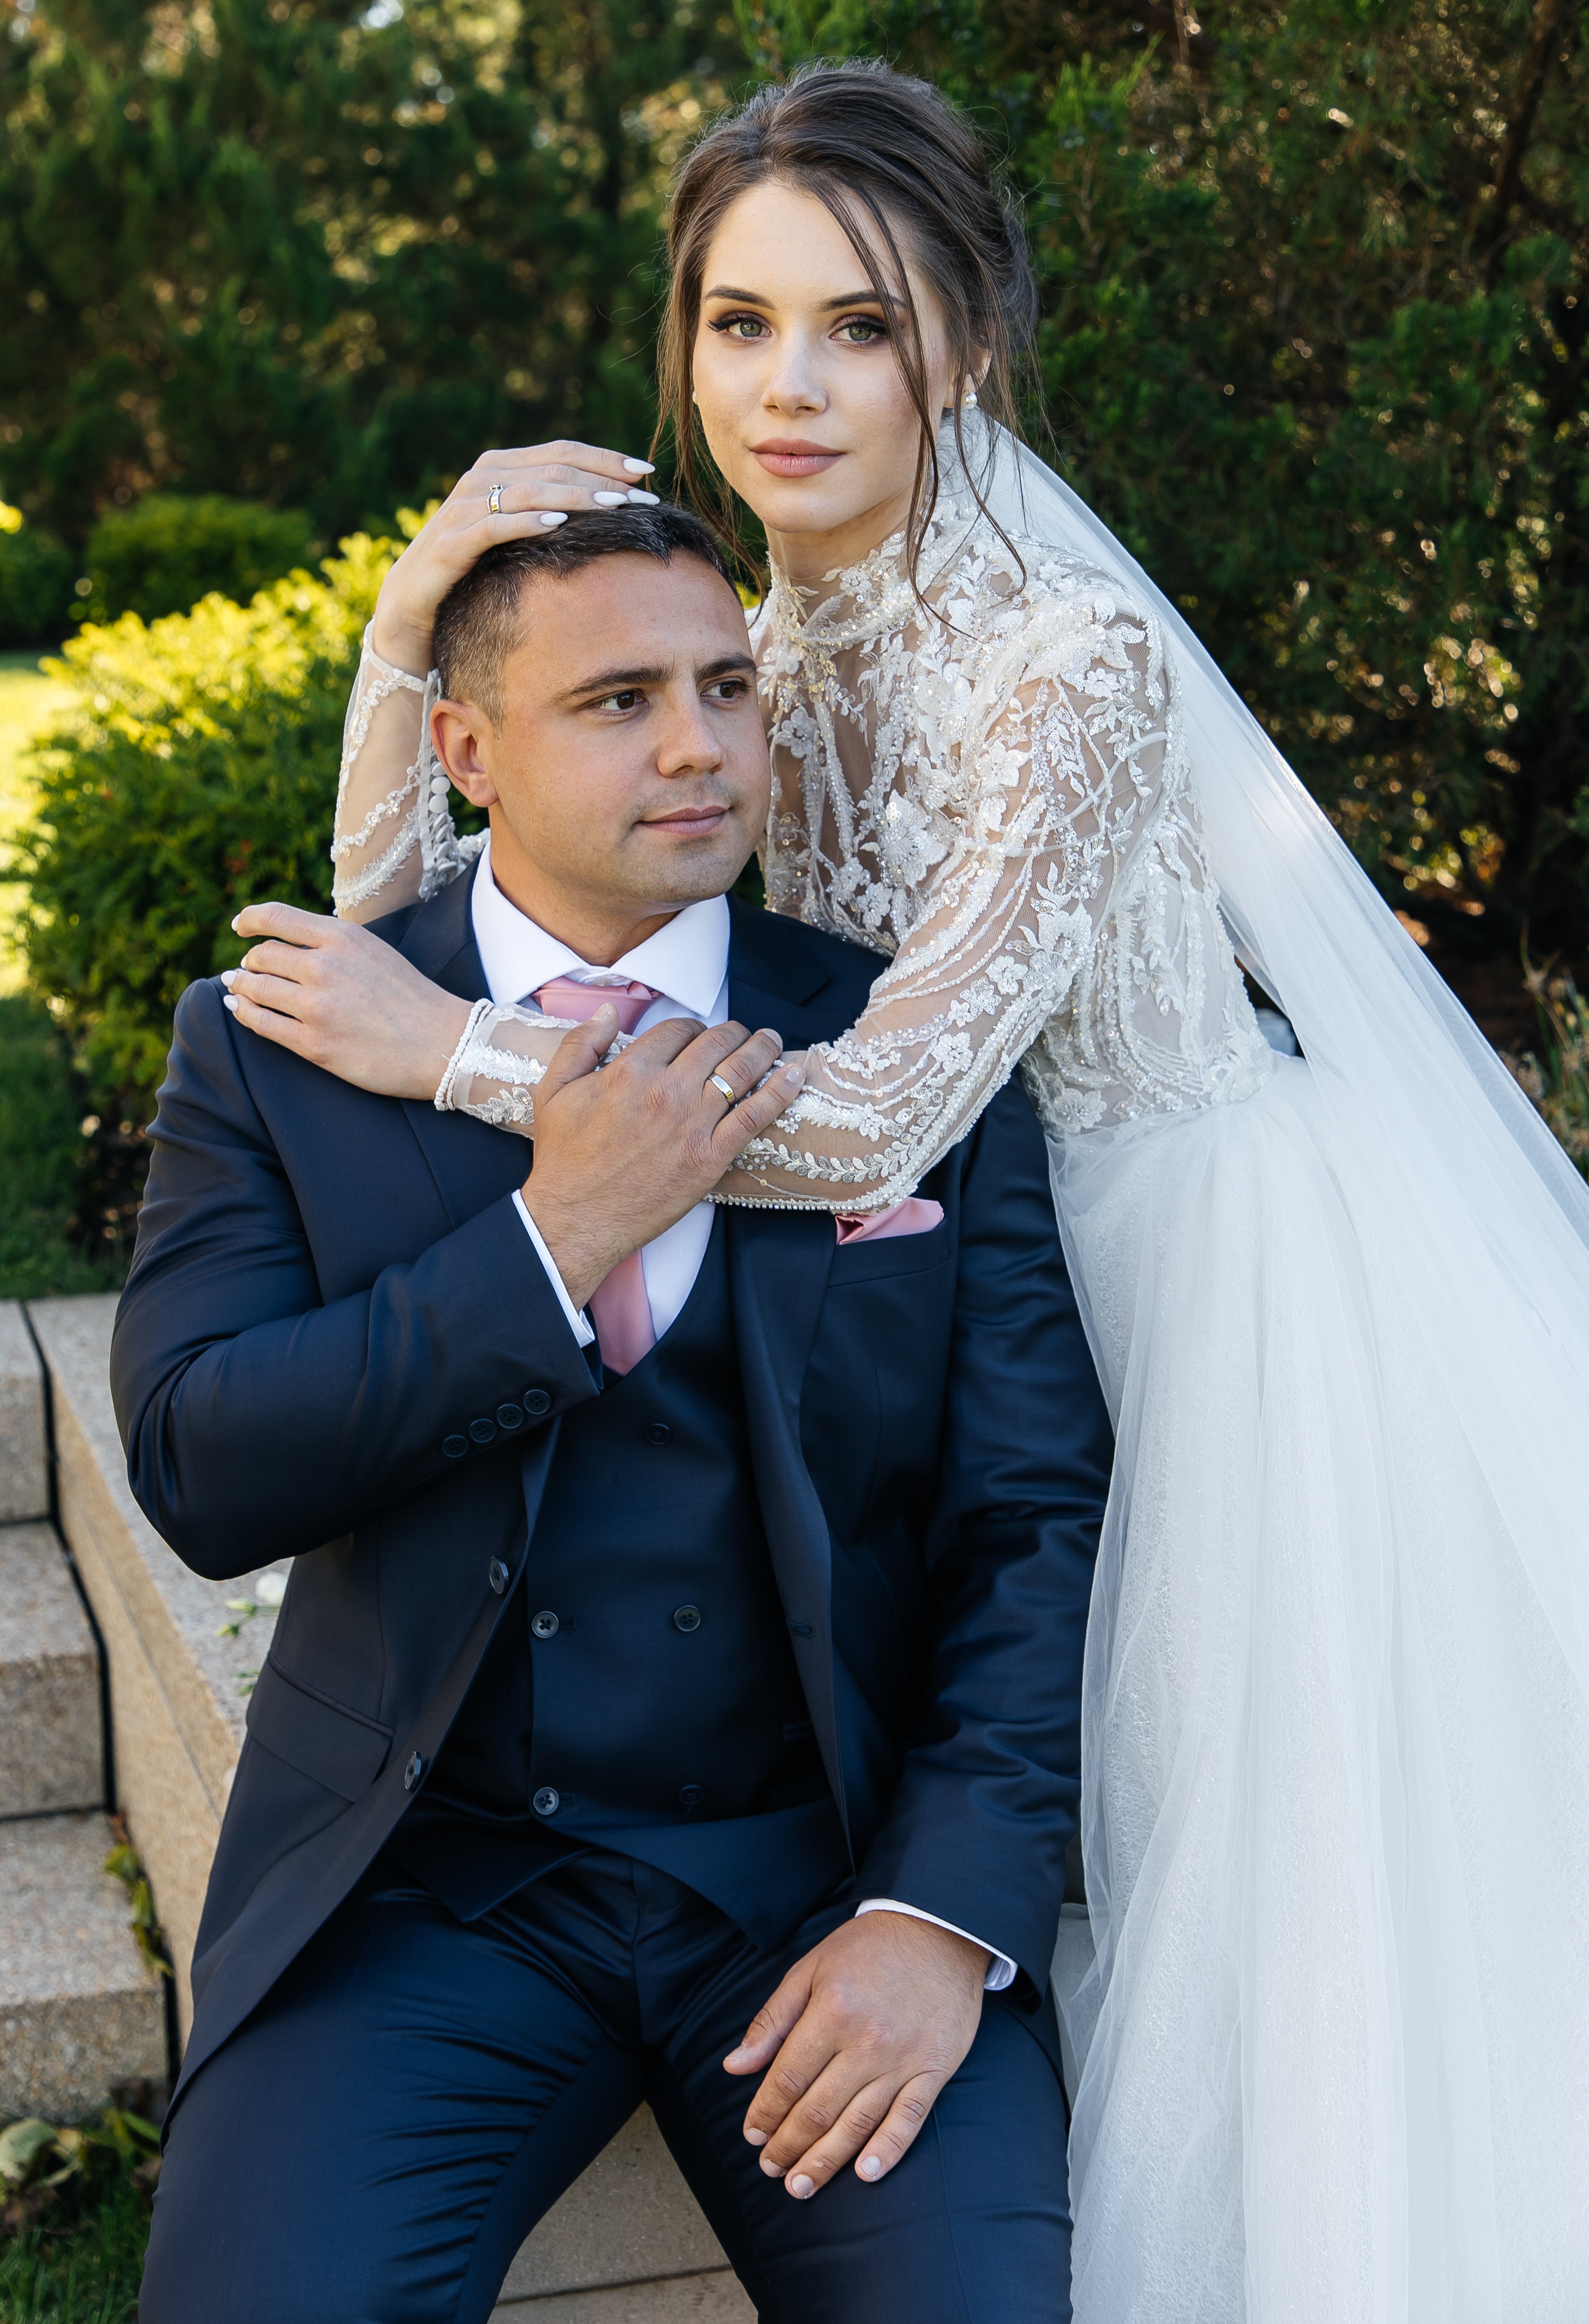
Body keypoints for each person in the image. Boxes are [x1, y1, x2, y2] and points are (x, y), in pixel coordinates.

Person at [223, 63, 1589, 2318]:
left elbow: (866, 1125)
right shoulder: (750, 639)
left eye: (856, 326)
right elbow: (400, 945)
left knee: (1272, 1939)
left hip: (1193, 1283)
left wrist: (462, 1058)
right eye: (740, 323)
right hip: (941, 1291)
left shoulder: (1069, 663)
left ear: (958, 343)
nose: (789, 385)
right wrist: (406, 634)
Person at [113, 500, 1114, 2324]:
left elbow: (1030, 1515)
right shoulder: (284, 1042)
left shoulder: (903, 1046)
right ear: (465, 750)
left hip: (823, 1879)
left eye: (728, 687)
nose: (696, 745)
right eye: (619, 700)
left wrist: (941, 1916)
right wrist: (555, 1235)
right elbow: (201, 1465)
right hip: (426, 1890)